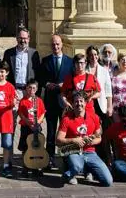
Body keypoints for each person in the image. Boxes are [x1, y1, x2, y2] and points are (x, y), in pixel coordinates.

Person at [56, 91, 113, 186]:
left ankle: (86, 169)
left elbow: (99, 138)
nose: (79, 104)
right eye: (76, 102)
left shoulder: (94, 117)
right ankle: (69, 172)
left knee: (108, 182)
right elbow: (58, 140)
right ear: (73, 104)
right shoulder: (66, 119)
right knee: (77, 166)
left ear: (85, 103)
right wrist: (74, 140)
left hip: (90, 152)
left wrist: (89, 142)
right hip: (73, 150)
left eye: (81, 101)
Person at [39, 34, 73, 168]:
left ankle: (66, 159)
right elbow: (40, 78)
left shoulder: (69, 61)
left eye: (58, 44)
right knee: (51, 133)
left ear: (62, 45)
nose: (55, 47)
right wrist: (47, 84)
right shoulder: (45, 60)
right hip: (51, 101)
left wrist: (63, 84)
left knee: (66, 132)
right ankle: (50, 158)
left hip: (65, 102)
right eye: (53, 44)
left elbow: (72, 80)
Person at [17, 78, 45, 178]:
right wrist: (28, 122)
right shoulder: (23, 101)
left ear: (36, 89)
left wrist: (38, 123)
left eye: (33, 88)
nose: (31, 90)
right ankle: (25, 167)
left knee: (37, 147)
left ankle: (36, 167)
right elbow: (20, 113)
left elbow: (42, 113)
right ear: (26, 88)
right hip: (26, 127)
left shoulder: (39, 101)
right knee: (25, 148)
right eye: (29, 88)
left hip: (36, 128)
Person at [85, 45, 113, 124]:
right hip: (88, 103)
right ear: (88, 56)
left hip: (102, 104)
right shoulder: (84, 70)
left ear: (98, 55)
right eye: (91, 55)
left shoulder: (104, 70)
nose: (93, 57)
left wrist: (109, 107)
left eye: (95, 54)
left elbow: (108, 91)